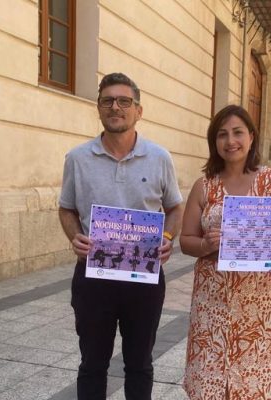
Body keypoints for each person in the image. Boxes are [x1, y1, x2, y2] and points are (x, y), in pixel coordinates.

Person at [58, 72, 183, 400]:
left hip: (144, 278)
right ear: (98, 108)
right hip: (92, 276)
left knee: (140, 364)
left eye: (124, 101)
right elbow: (66, 209)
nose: (116, 107)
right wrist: (75, 237)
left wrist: (167, 236)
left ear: (138, 110)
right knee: (92, 364)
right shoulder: (77, 158)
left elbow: (175, 207)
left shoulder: (159, 158)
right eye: (108, 101)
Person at [180, 105, 271, 399]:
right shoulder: (205, 187)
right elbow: (186, 240)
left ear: (252, 137)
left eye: (237, 132)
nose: (230, 141)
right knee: (211, 383)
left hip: (259, 306)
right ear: (214, 142)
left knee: (256, 386)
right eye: (222, 134)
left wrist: (266, 244)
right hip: (212, 304)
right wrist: (207, 245)